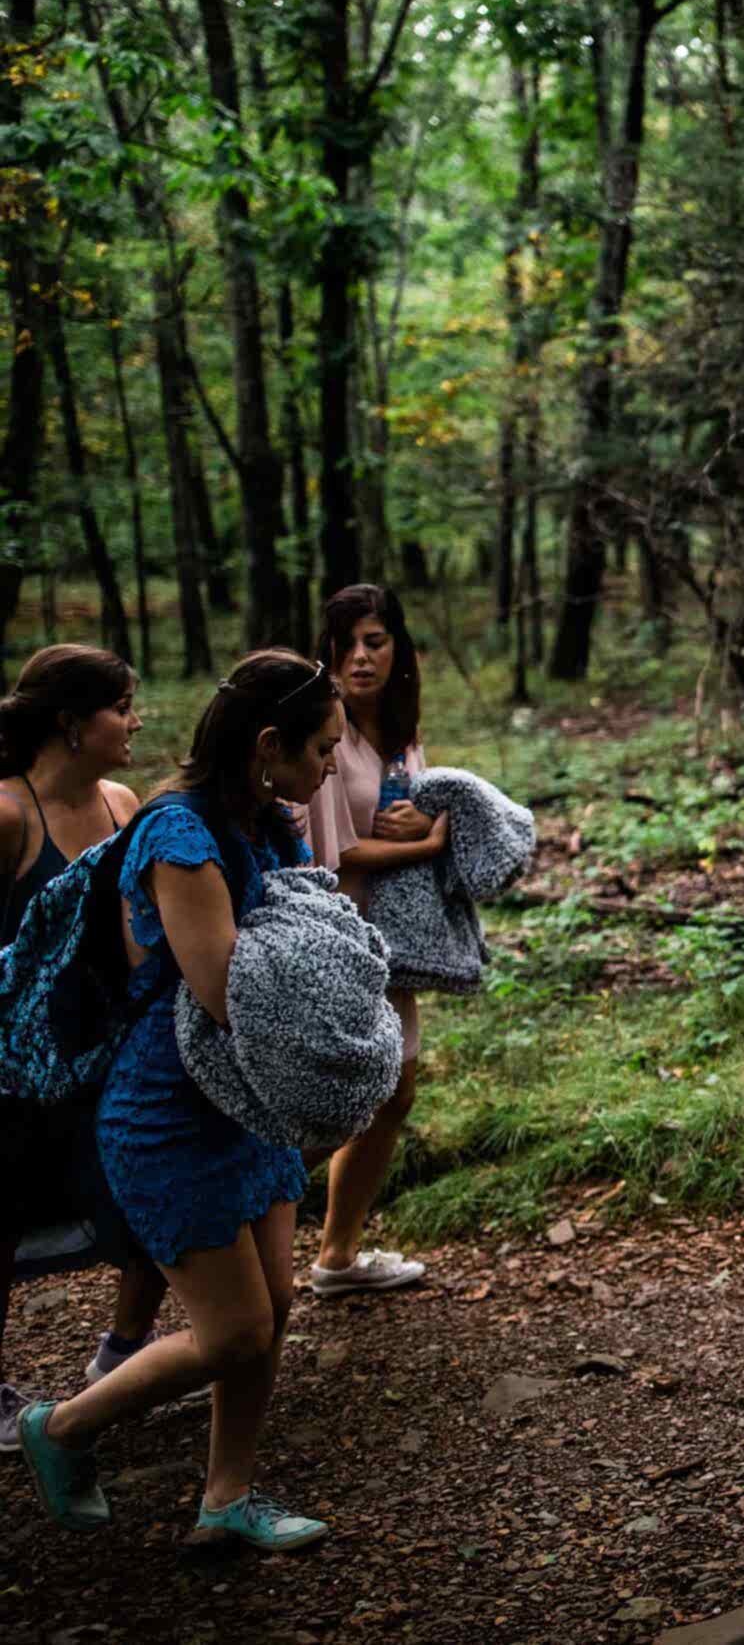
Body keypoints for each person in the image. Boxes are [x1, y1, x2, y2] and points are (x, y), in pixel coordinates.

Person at [15, 649, 345, 1550]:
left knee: (272, 1309)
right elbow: (225, 987)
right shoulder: (179, 832)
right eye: (320, 750)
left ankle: (225, 1500)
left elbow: (311, 927)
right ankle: (64, 1426)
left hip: (248, 1099)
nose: (328, 771)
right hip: (167, 1112)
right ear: (268, 743)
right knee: (233, 1332)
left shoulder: (269, 819)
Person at [0, 647, 176, 1450]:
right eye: (122, 707)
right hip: (14, 1066)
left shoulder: (122, 802)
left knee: (150, 1200)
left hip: (109, 1051)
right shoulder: (9, 815)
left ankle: (122, 1358)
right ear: (72, 724)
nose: (135, 721)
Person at [299, 585, 439, 1297]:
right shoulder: (322, 728)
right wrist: (433, 839)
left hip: (396, 940)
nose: (361, 657)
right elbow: (335, 852)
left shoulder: (404, 727)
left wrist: (427, 828)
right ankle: (240, 1245)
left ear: (398, 648)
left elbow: (417, 812)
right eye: (348, 643)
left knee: (396, 1092)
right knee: (329, 1102)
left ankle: (337, 1255)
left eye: (375, 641)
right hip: (336, 940)